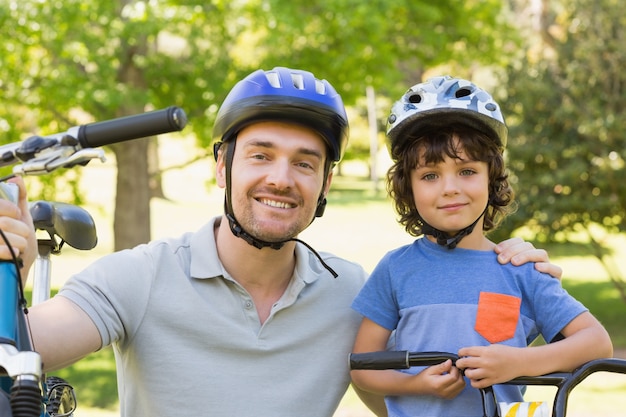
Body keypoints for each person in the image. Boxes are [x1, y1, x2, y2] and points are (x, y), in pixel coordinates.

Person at [0, 68, 563, 417]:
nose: (282, 179)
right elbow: (19, 352)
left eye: (305, 162)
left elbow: (409, 399)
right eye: (261, 155)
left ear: (325, 183)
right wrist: (9, 275)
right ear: (223, 165)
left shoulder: (354, 292)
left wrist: (501, 268)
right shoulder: (141, 277)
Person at [349, 75, 614, 417]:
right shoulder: (395, 268)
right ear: (408, 188)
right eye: (430, 175)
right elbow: (362, 366)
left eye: (467, 171)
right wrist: (417, 384)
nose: (449, 188)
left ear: (492, 177)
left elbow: (596, 342)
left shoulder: (520, 268)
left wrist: (519, 362)